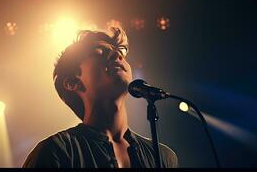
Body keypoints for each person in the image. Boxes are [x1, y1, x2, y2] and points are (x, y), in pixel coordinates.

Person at [22, 27, 178, 168]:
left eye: (120, 52)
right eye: (99, 51)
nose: (117, 54)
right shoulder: (55, 151)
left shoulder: (164, 158)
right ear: (72, 82)